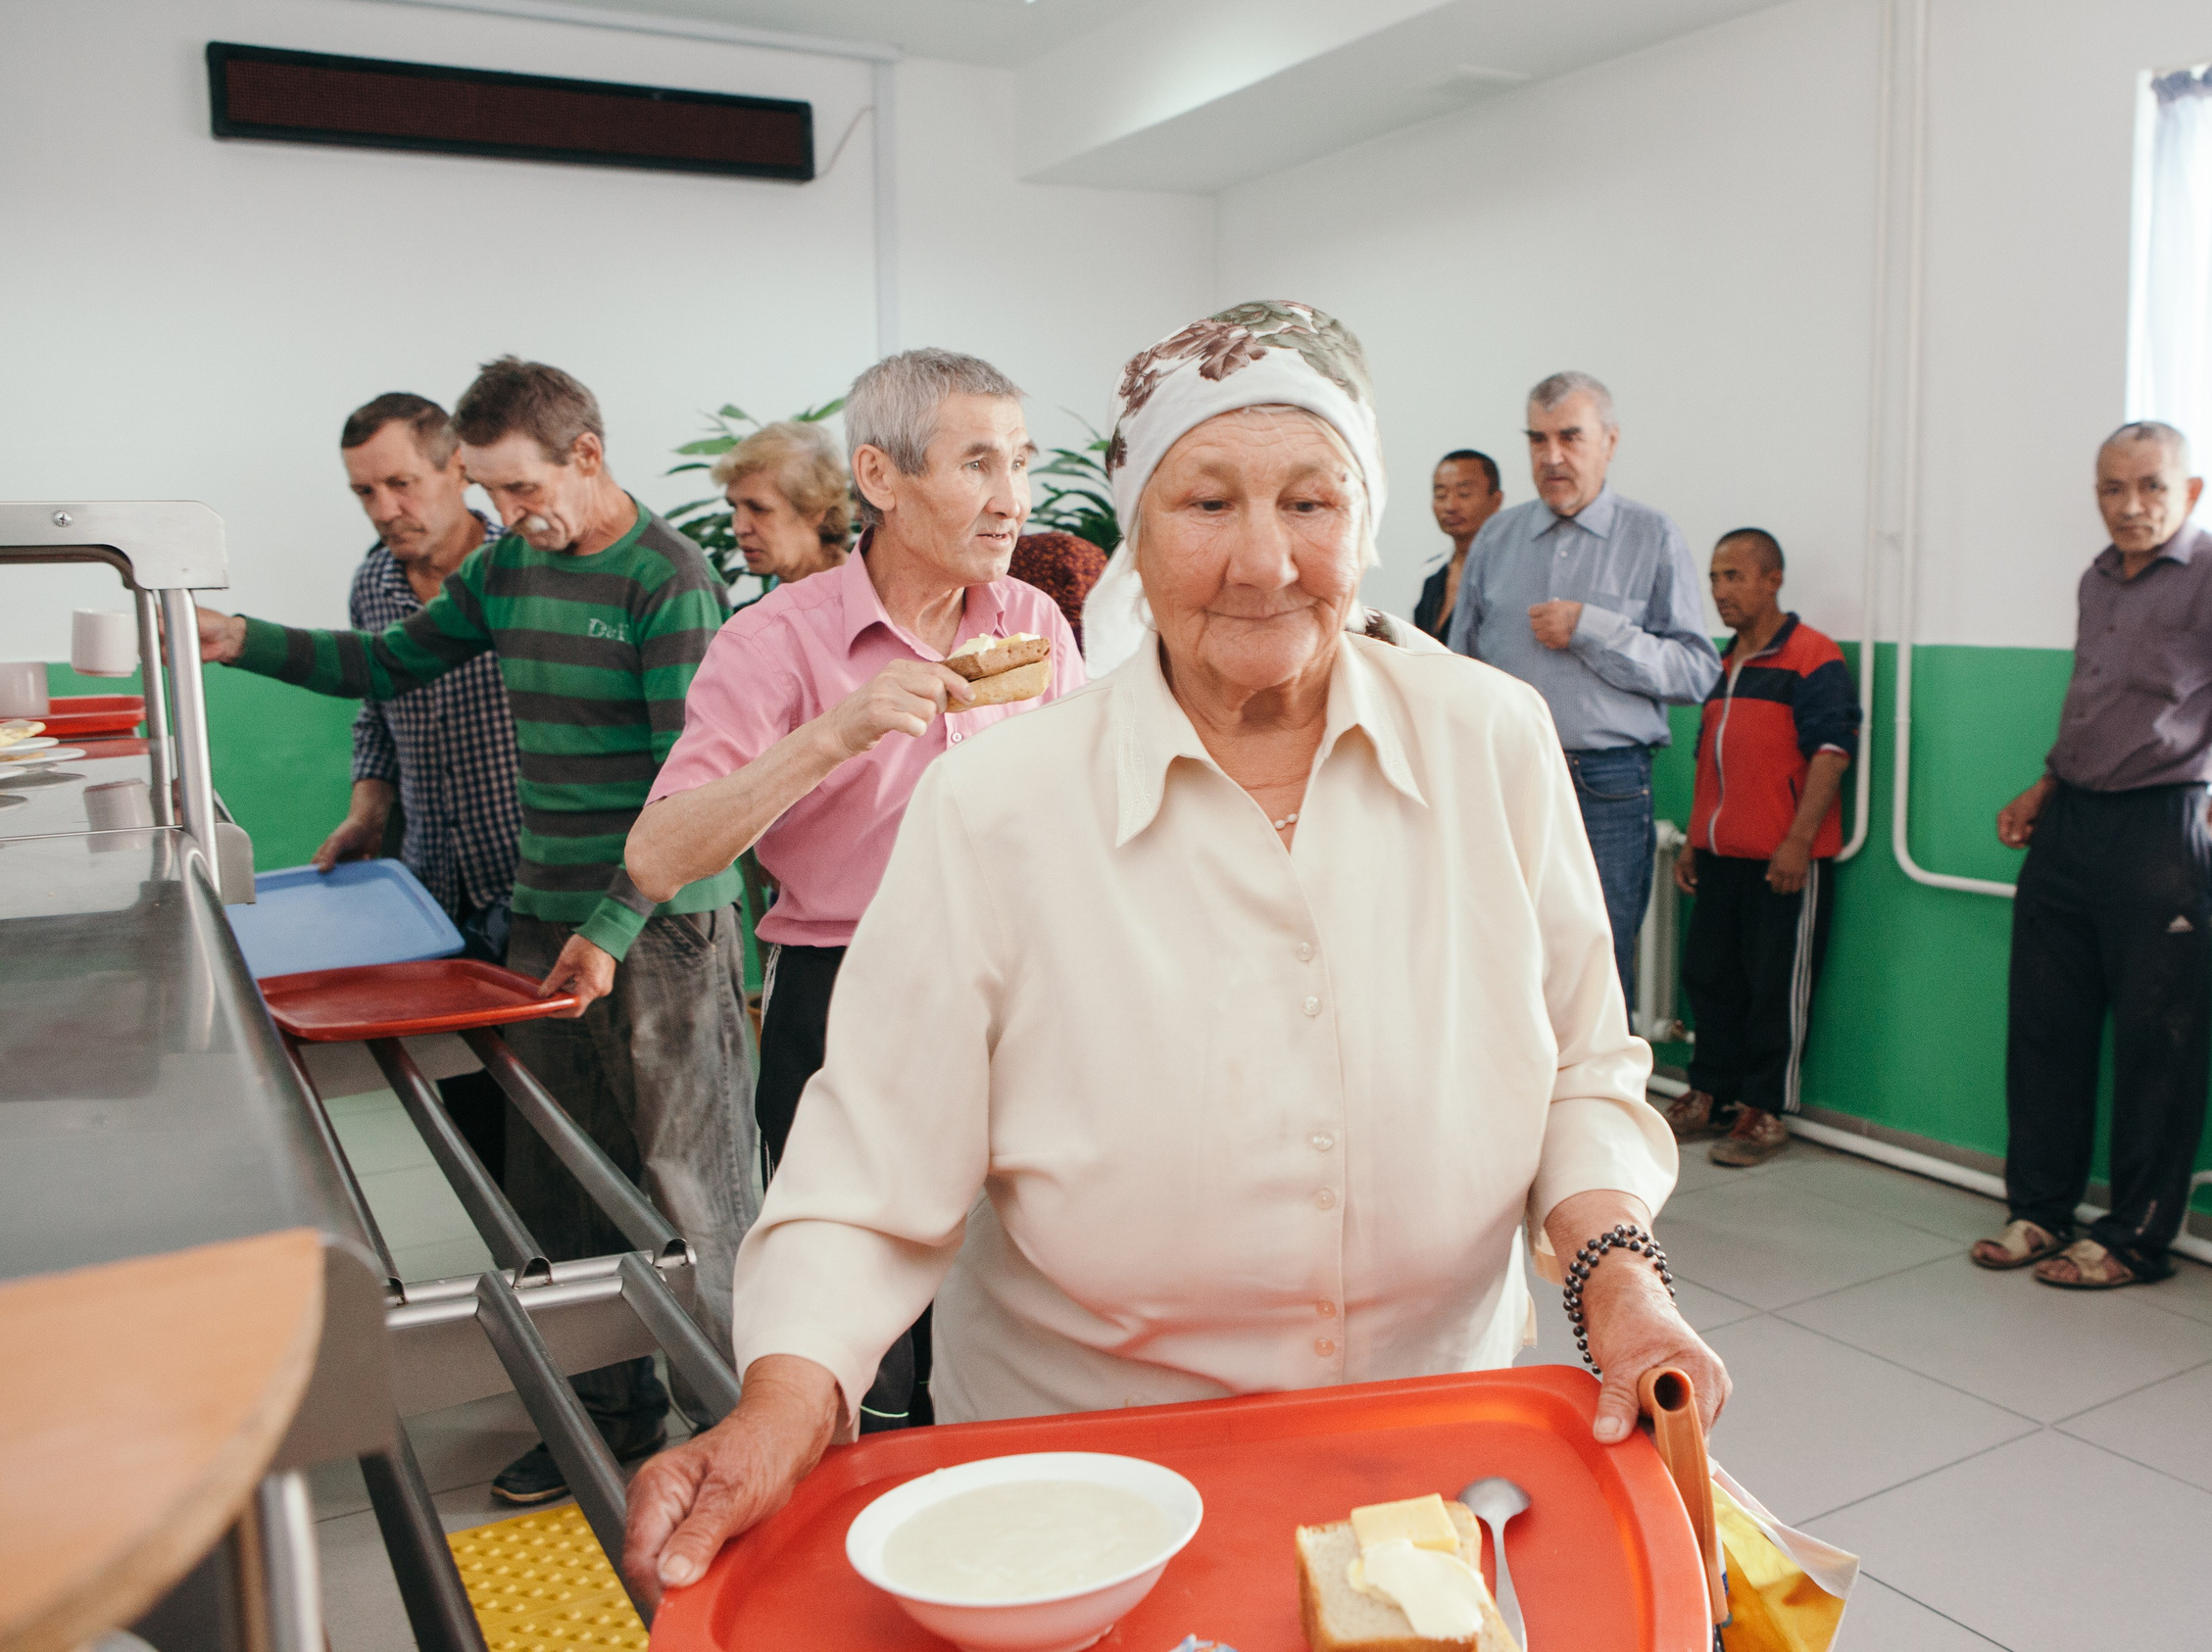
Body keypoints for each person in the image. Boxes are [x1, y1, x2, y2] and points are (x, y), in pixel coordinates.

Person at [617, 302, 1723, 1606]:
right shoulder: (999, 805)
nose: (1264, 560)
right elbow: (868, 1175)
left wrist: (1616, 1278)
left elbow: (1584, 1066)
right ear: (1136, 534)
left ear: (1366, 525)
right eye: (1207, 503)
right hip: (1088, 1481)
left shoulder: (1492, 739)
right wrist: (790, 1396)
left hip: (1440, 1447)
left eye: (1312, 502)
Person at [196, 358, 759, 1503]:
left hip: (661, 933)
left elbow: (687, 783)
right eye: (490, 495)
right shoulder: (509, 569)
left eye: (519, 491)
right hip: (545, 919)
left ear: (586, 457)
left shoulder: (670, 579)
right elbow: (387, 665)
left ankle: (740, 1433)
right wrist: (234, 638)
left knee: (697, 1195)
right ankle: (605, 1416)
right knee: (555, 1187)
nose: (504, 519)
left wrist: (611, 920)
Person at [626, 349, 1082, 1429]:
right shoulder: (772, 643)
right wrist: (831, 734)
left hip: (1023, 993)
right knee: (865, 1310)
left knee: (1025, 1282)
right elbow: (658, 857)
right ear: (879, 477)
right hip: (842, 992)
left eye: (1020, 462)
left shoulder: (1031, 627)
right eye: (977, 465)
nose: (1012, 498)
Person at [1976, 422, 2212, 1289]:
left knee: (2157, 1043)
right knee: (2043, 1026)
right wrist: (2046, 785)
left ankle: (2134, 1234)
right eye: (2112, 489)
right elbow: (2094, 703)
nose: (2131, 506)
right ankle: (2040, 1210)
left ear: (2190, 491)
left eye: (2152, 487)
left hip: (2163, 826)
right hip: (2070, 822)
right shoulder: (2099, 577)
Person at [1452, 371, 1721, 1018]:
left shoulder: (1652, 538)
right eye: (1537, 439)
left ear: (1609, 441)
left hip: (1606, 783)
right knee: (1499, 951)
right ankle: (1517, 1116)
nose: (1552, 457)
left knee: (1597, 963)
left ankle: (1597, 1117)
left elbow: (1695, 671)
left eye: (1570, 436)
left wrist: (1596, 629)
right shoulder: (1496, 538)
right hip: (1503, 777)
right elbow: (1460, 667)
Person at [317, 392, 521, 1178]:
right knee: (470, 1103)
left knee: (559, 1102)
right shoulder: (373, 584)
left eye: (401, 483)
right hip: (436, 885)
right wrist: (367, 809)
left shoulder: (522, 572)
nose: (384, 507)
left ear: (459, 468)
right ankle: (514, 1273)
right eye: (365, 492)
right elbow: (375, 710)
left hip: (531, 879)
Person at [1666, 529, 1859, 1168]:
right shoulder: (1722, 663)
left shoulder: (1812, 657)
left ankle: (1764, 1109)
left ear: (1772, 579)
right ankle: (1712, 1091)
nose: (1720, 591)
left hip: (1783, 861)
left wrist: (1798, 842)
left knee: (1776, 985)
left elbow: (1831, 753)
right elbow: (1708, 759)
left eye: (1734, 576)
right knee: (1709, 975)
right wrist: (1696, 838)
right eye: (1715, 578)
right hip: (1720, 855)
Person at [716, 419, 853, 587]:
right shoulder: (786, 587)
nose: (739, 527)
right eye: (733, 506)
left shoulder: (860, 596)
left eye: (759, 508)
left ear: (815, 510)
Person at [1413, 448, 1505, 644]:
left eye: (1464, 494)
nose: (1450, 506)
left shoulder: (1510, 571)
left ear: (1496, 500)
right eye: (1440, 495)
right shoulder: (1430, 572)